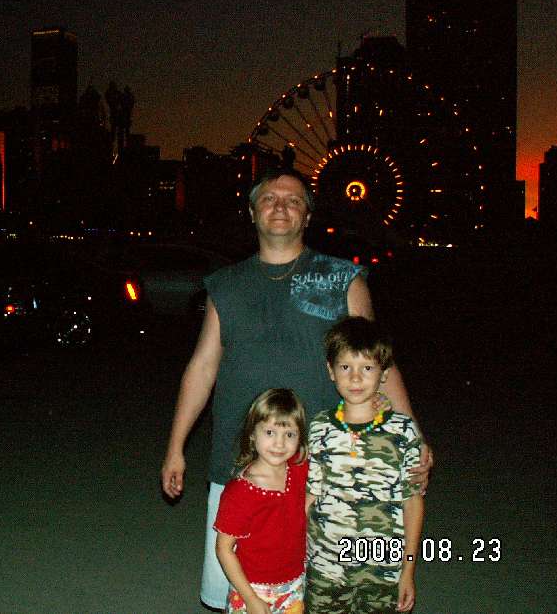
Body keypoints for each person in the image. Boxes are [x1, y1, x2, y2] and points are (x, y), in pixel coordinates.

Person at [160, 167, 432, 610]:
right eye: (269, 199)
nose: (280, 206)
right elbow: (202, 367)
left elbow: (379, 364)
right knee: (240, 589)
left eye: (293, 200)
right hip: (240, 462)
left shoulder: (343, 278)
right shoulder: (225, 285)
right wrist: (176, 447)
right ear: (252, 213)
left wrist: (414, 436)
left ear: (307, 215)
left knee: (316, 590)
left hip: (321, 465)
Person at [305, 317, 424, 613]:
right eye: (346, 367)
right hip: (325, 569)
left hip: (383, 572)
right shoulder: (319, 428)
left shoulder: (403, 431)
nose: (356, 378)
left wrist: (408, 570)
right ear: (330, 371)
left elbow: (412, 502)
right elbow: (309, 497)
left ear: (384, 373)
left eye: (367, 368)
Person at [214, 388, 308, 614]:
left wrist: (377, 403)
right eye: (270, 432)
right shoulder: (240, 493)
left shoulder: (299, 467)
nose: (279, 443)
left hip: (294, 585)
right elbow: (224, 549)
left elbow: (336, 445)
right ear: (252, 434)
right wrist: (250, 598)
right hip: (251, 589)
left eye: (289, 434)